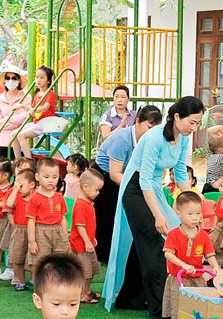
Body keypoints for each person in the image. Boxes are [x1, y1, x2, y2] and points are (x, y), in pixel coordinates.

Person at [104, 96, 204, 316]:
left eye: (197, 124)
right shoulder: (154, 137)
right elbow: (145, 179)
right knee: (155, 240)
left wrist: (192, 203)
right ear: (177, 116)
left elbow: (180, 171)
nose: (193, 128)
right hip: (135, 188)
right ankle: (161, 306)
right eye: (192, 122)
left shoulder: (183, 138)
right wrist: (158, 215)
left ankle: (131, 298)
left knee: (144, 241)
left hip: (153, 188)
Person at [92, 104, 162, 278]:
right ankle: (107, 261)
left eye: (156, 128)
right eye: (149, 126)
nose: (152, 132)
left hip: (128, 176)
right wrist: (140, 187)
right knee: (109, 220)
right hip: (105, 178)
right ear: (137, 121)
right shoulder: (122, 139)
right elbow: (114, 174)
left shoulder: (151, 141)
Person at [162, 191, 219, 319]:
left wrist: (215, 266)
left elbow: (209, 254)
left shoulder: (203, 235)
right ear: (178, 213)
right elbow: (168, 254)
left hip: (197, 277)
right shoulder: (174, 234)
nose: (195, 218)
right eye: (190, 214)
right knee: (180, 307)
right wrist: (184, 265)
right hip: (179, 277)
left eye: (198, 213)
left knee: (199, 307)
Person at [26, 157, 69, 273]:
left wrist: (65, 235)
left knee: (60, 258)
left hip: (58, 230)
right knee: (40, 259)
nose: (51, 180)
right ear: (37, 176)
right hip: (41, 231)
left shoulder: (59, 197)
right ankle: (38, 283)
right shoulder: (34, 198)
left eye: (55, 177)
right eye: (46, 177)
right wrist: (32, 241)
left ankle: (57, 281)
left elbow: (63, 218)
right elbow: (31, 221)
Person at [71, 169, 104, 303]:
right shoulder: (80, 204)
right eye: (97, 190)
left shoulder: (88, 202)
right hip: (81, 246)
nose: (98, 193)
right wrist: (86, 240)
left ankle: (86, 290)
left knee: (92, 269)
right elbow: (80, 225)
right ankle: (81, 294)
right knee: (84, 271)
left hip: (88, 243)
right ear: (85, 187)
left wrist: (91, 238)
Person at [16, 65, 58, 157]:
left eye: (41, 78)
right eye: (37, 77)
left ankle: (28, 160)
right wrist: (22, 106)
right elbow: (32, 111)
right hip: (37, 123)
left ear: (48, 81)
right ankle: (17, 159)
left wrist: (34, 110)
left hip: (45, 123)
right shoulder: (37, 94)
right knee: (14, 134)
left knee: (22, 135)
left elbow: (45, 107)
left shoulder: (50, 94)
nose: (38, 80)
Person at [0, 63, 30, 160]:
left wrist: (6, 119)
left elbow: (25, 117)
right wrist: (14, 122)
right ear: (4, 81)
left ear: (19, 80)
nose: (10, 80)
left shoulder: (26, 97)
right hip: (1, 141)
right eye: (8, 78)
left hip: (18, 142)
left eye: (14, 78)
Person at [7, 169, 37, 290]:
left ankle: (35, 279)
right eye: (16, 184)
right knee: (17, 256)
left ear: (32, 184)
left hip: (34, 230)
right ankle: (21, 280)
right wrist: (14, 190)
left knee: (34, 256)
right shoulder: (17, 196)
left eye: (21, 185)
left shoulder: (36, 197)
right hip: (19, 229)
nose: (18, 187)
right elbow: (9, 204)